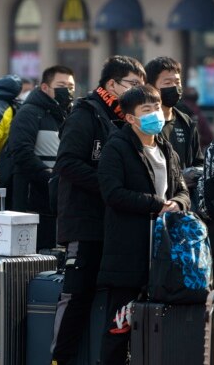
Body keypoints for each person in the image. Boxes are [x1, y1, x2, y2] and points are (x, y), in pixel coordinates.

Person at [51, 55, 146, 365]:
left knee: (117, 301)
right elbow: (66, 163)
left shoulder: (126, 119)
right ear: (111, 85)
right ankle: (60, 360)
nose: (137, 90)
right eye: (133, 84)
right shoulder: (86, 114)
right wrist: (108, 184)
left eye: (141, 86)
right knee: (76, 297)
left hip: (116, 227)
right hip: (84, 222)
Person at [97, 85, 189, 364]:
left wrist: (178, 203)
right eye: (146, 110)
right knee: (120, 323)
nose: (155, 114)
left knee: (160, 321)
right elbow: (112, 193)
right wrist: (155, 204)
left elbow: (183, 188)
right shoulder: (117, 148)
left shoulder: (165, 147)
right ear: (130, 118)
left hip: (163, 252)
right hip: (129, 251)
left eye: (156, 107)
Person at [8, 65, 75, 251]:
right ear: (45, 87)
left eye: (71, 87)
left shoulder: (68, 114)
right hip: (33, 201)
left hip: (58, 200)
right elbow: (21, 152)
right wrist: (50, 177)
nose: (67, 91)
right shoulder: (29, 112)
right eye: (61, 85)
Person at [144, 57, 204, 187]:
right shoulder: (144, 123)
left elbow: (198, 161)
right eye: (167, 83)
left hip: (183, 199)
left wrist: (193, 174)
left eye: (177, 82)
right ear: (150, 87)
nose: (175, 87)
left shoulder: (186, 121)